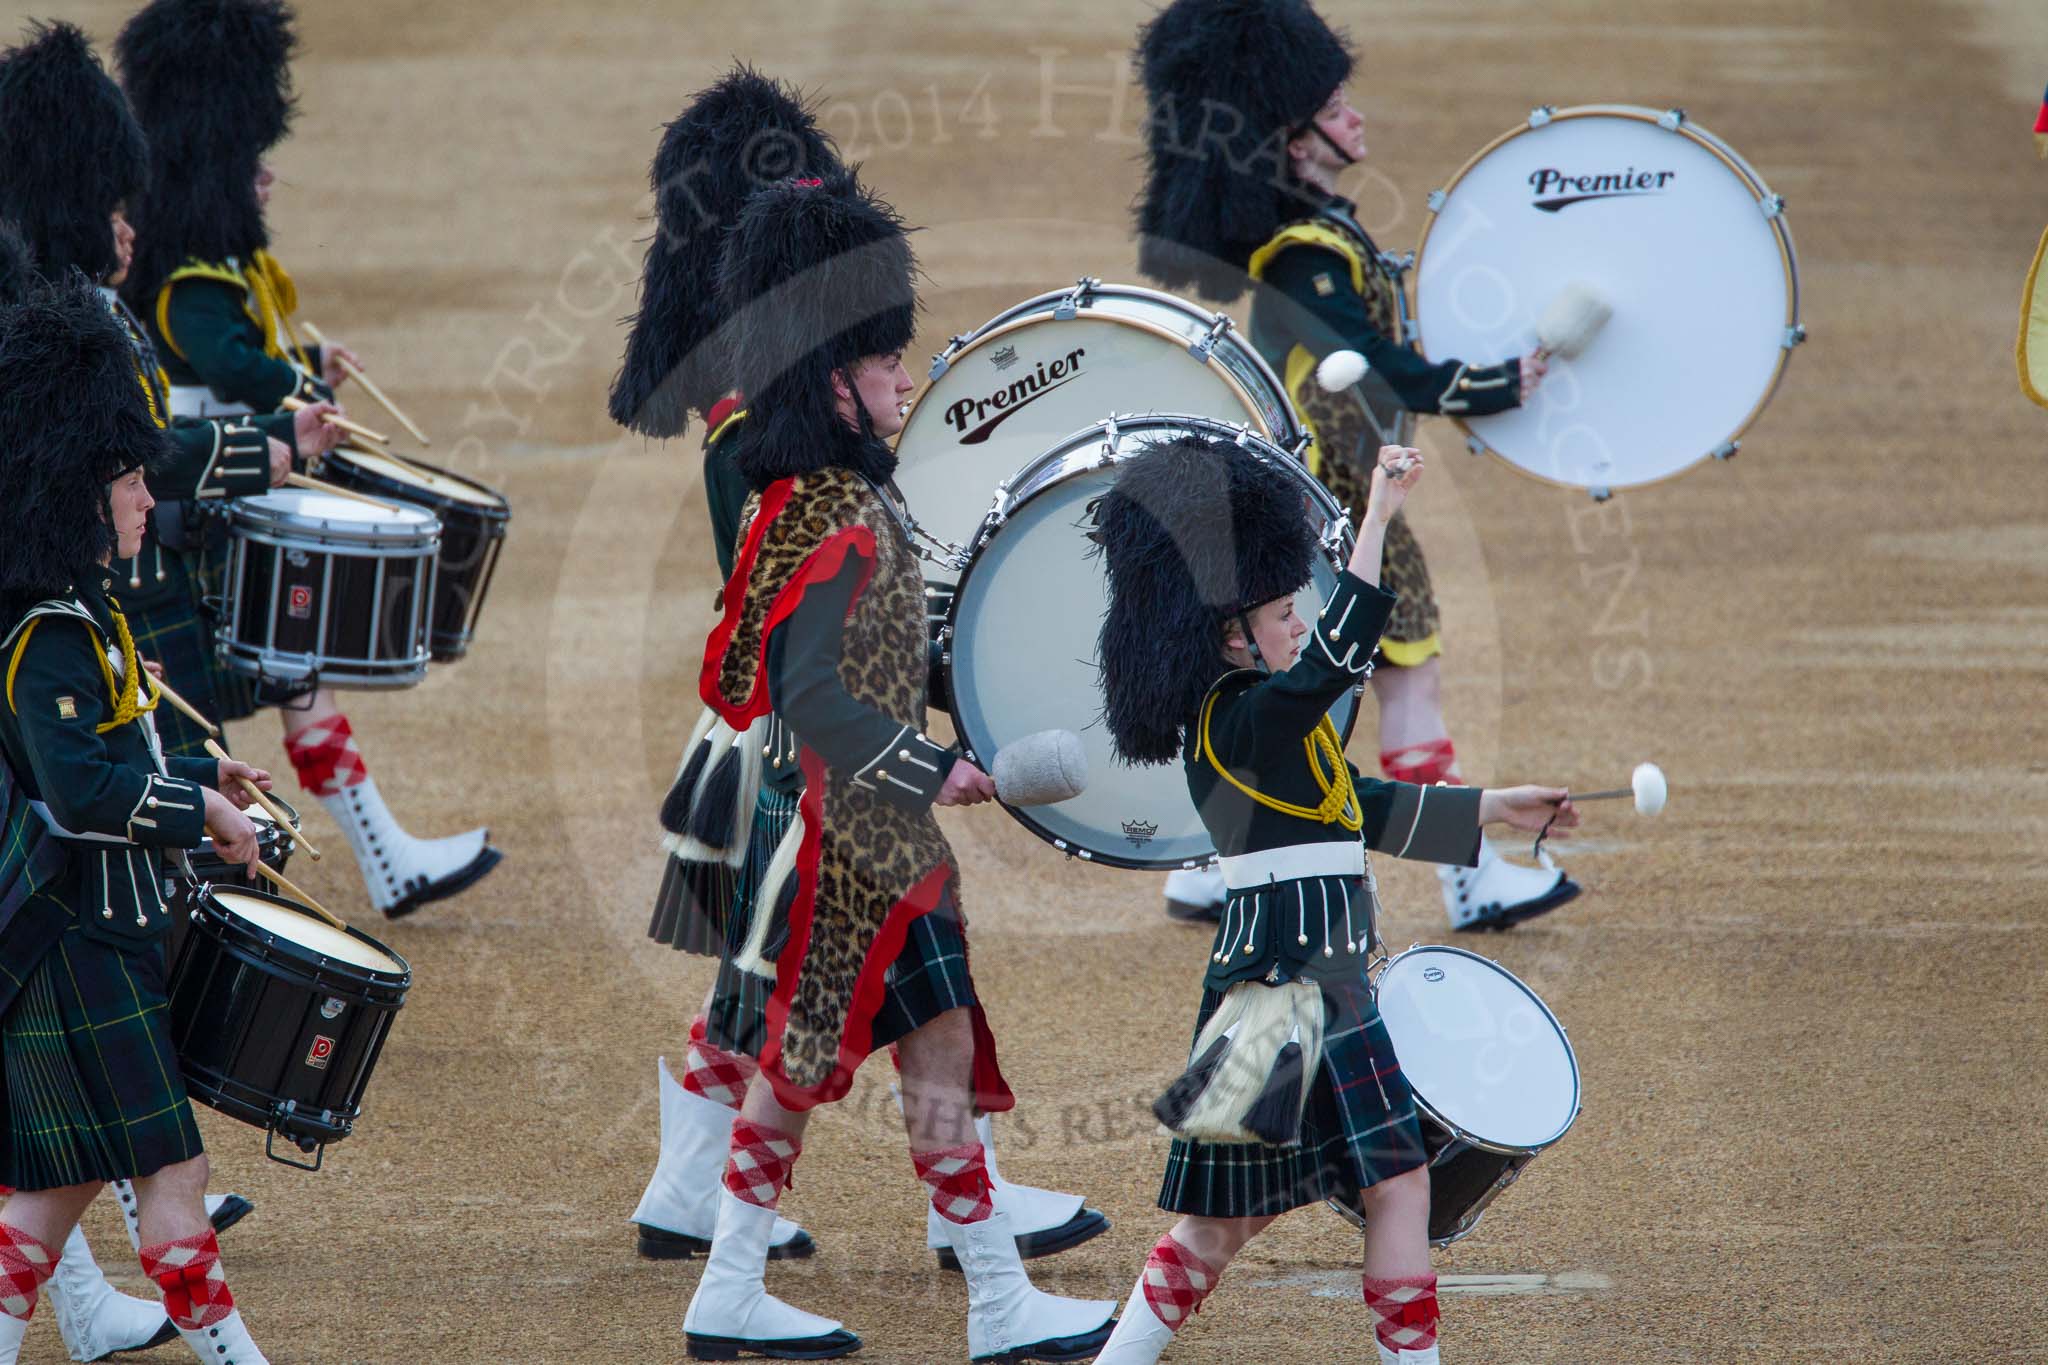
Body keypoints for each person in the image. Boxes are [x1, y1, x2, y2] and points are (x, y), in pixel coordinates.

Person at [613, 66, 1102, 1275]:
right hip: (794, 721)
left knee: (797, 969)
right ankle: (932, 1212)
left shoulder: (765, 399)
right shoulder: (759, 428)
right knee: (811, 971)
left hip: (797, 714)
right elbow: (796, 615)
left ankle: (714, 1189)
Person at [1085, 433, 1579, 1364]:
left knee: (1394, 1187)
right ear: (1231, 633)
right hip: (1286, 995)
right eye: (1282, 610)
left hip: (1332, 991)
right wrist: (1379, 517)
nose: (1299, 623)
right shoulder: (1237, 722)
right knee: (1219, 1229)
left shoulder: (1279, 725)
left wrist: (1495, 807)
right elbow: (1335, 665)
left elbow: (1364, 808)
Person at [1131, 0, 1580, 932]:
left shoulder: (1320, 236)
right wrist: (1495, 381)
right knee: (1405, 674)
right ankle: (1474, 880)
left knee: (1280, 689)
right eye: (1335, 109)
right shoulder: (1304, 256)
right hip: (1341, 501)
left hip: (1323, 499)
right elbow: (1383, 363)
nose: (1356, 118)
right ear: (1294, 143)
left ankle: (1214, 871)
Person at [115, 0, 500, 918]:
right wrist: (293, 390)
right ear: (214, 169)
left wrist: (302, 371)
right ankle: (239, 876)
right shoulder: (193, 278)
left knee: (288, 672)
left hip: (203, 498)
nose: (268, 177)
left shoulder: (194, 262)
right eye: (251, 163)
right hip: (186, 509)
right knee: (168, 708)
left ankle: (382, 856)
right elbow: (226, 363)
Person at [0, 271, 280, 1365]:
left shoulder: (82, 619)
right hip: (78, 938)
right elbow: (77, 792)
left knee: (47, 1196)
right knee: (176, 1176)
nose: (143, 502)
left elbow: (119, 750)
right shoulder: (48, 635)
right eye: (125, 482)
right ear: (74, 493)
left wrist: (209, 766)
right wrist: (197, 807)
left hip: (92, 935)